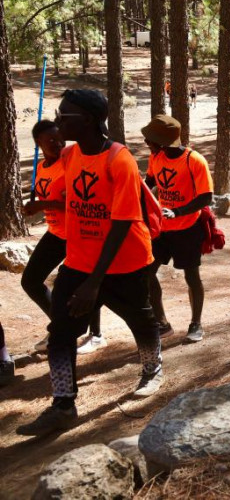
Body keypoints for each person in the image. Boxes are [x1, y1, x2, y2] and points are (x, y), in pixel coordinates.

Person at [16, 89, 162, 436]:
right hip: (80, 260)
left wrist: (94, 283)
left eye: (64, 116)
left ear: (89, 121)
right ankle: (63, 404)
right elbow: (66, 192)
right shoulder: (69, 155)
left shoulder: (119, 160)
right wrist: (42, 202)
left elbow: (122, 221)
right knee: (61, 332)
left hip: (124, 261)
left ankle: (152, 367)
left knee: (141, 320)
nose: (57, 121)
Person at [21, 120, 108, 356]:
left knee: (83, 284)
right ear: (38, 144)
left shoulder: (70, 163)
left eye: (60, 138)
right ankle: (60, 326)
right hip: (57, 233)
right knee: (30, 281)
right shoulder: (42, 167)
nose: (58, 143)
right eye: (50, 141)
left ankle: (96, 334)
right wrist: (35, 206)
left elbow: (75, 201)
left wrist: (42, 204)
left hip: (79, 233)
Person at [143, 115, 214, 343]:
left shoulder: (194, 160)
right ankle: (162, 323)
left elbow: (206, 197)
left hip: (188, 228)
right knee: (146, 272)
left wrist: (178, 211)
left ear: (163, 141)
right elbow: (150, 182)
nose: (147, 143)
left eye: (150, 139)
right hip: (162, 229)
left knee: (192, 276)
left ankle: (196, 323)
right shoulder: (156, 157)